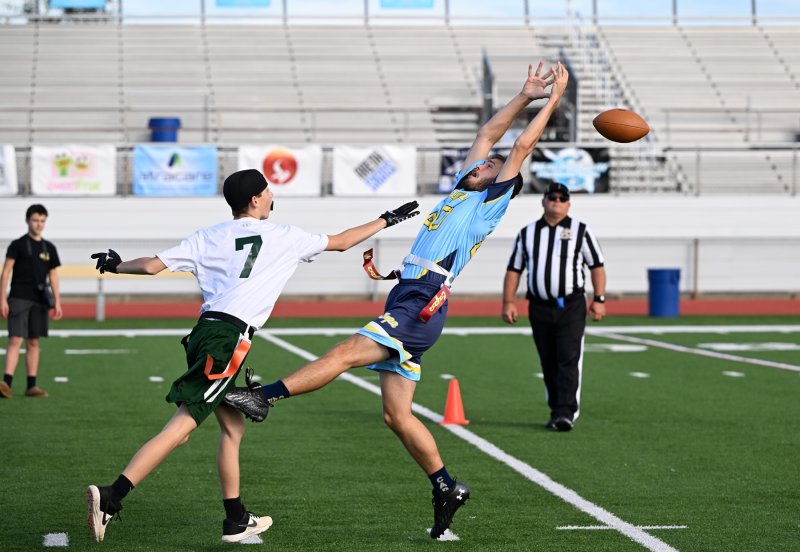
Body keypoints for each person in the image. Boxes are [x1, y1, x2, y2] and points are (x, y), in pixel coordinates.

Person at [224, 60, 569, 539]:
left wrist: (552, 101)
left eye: (489, 165)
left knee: (346, 352)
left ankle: (263, 397)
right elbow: (491, 133)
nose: (482, 162)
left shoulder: (491, 200)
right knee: (396, 415)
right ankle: (446, 486)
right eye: (482, 161)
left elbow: (519, 145)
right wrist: (524, 94)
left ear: (498, 180)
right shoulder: (463, 188)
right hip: (408, 296)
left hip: (423, 301)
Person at [84, 169, 419, 544]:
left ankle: (235, 519)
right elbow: (341, 242)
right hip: (228, 340)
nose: (272, 193)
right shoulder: (284, 236)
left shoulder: (208, 234)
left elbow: (150, 266)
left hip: (203, 334)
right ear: (256, 200)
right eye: (267, 190)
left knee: (233, 426)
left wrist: (115, 264)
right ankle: (112, 497)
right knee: (181, 428)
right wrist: (387, 219)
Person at [501, 182, 606, 432]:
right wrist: (508, 301)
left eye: (562, 198)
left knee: (567, 358)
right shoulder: (528, 233)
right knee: (548, 359)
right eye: (552, 197)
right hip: (539, 305)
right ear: (544, 201)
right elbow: (515, 269)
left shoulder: (581, 230)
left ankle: (565, 412)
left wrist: (599, 299)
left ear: (568, 203)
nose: (556, 201)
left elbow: (597, 266)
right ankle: (555, 408)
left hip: (570, 305)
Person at [0, 204, 63, 399]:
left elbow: (53, 276)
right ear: (28, 220)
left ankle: (31, 385)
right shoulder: (17, 245)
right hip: (18, 298)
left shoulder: (49, 248)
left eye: (42, 221)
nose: (39, 224)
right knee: (15, 340)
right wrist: (2, 298)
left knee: (33, 342)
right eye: (35, 220)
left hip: (40, 301)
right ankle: (6, 383)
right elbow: (6, 272)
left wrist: (58, 302)